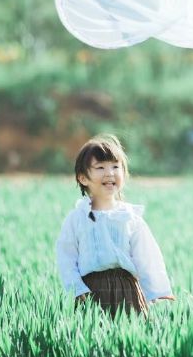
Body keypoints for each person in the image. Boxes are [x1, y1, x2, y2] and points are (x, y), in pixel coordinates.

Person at [56, 134, 174, 316]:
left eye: (115, 167)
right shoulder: (77, 218)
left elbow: (147, 254)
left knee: (129, 334)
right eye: (100, 167)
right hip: (90, 290)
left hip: (127, 289)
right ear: (83, 178)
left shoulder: (130, 217)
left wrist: (157, 290)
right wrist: (77, 289)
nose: (110, 173)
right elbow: (66, 257)